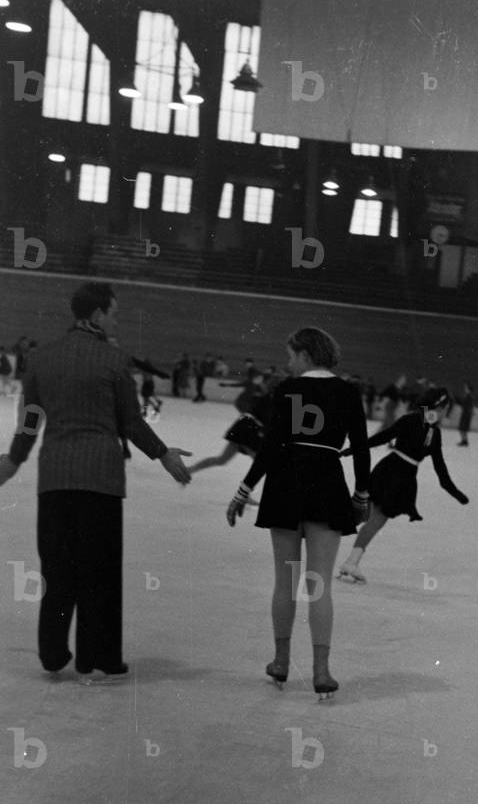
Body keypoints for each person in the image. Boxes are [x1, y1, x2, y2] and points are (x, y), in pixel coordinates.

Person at [0, 282, 192, 683]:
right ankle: (97, 658)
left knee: (57, 567)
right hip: (101, 479)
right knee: (99, 572)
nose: (116, 320)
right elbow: (130, 421)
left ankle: (53, 654)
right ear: (98, 314)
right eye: (115, 313)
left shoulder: (41, 359)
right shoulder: (114, 360)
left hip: (55, 477)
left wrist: (14, 460)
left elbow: (31, 420)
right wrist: (163, 454)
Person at [226, 327, 370, 700]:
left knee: (285, 582)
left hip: (285, 486)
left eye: (290, 355)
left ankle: (280, 661)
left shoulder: (288, 390)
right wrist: (361, 495)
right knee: (318, 584)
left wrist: (244, 490)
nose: (288, 362)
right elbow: (362, 449)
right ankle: (321, 671)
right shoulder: (348, 391)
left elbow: (272, 447)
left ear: (305, 354)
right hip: (327, 485)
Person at [337, 388, 469, 584]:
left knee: (368, 517)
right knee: (374, 519)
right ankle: (347, 558)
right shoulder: (414, 421)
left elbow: (440, 469)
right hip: (392, 473)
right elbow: (382, 437)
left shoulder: (433, 431)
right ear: (439, 407)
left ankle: (341, 549)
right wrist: (351, 450)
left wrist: (456, 493)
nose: (446, 412)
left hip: (403, 476)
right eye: (446, 408)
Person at [189, 374, 272, 490]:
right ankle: (245, 492)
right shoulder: (272, 397)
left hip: (245, 427)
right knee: (261, 463)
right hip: (248, 429)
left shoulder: (269, 396)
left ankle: (189, 470)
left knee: (222, 460)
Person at [457, 382, 474, 447]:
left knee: (462, 428)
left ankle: (464, 441)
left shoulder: (469, 396)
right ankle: (464, 440)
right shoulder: (468, 396)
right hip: (466, 414)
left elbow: (467, 405)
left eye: (466, 388)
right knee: (462, 429)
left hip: (466, 414)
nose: (465, 389)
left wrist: (460, 402)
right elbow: (465, 404)